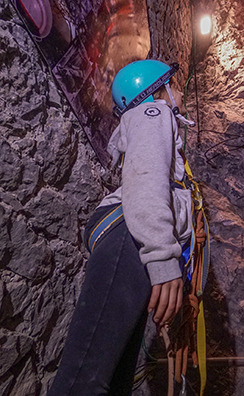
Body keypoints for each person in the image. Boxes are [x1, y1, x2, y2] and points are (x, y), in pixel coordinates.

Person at [48, 59, 195, 396]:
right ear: (155, 92)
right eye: (172, 85)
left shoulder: (151, 120)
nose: (178, 94)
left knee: (111, 380)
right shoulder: (152, 115)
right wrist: (162, 257)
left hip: (128, 235)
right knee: (83, 383)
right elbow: (145, 177)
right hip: (128, 235)